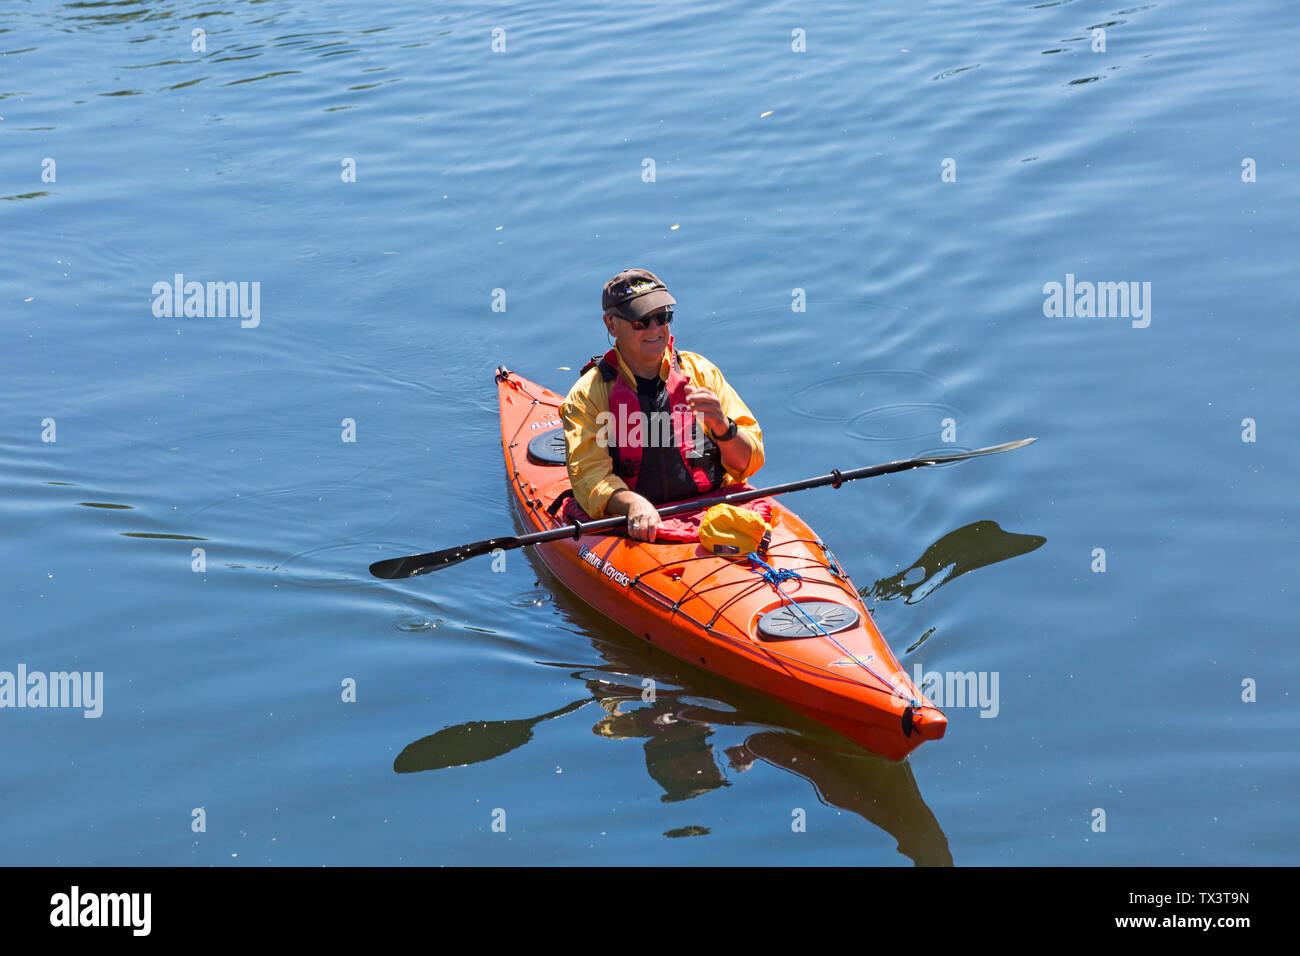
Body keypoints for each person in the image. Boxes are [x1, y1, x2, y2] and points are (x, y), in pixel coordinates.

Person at [560, 268, 764, 542]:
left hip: (714, 512)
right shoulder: (588, 397)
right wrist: (632, 503)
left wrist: (724, 428)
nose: (655, 329)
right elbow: (590, 478)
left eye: (662, 316)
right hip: (637, 526)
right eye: (640, 322)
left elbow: (748, 465)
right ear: (610, 324)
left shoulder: (700, 373)